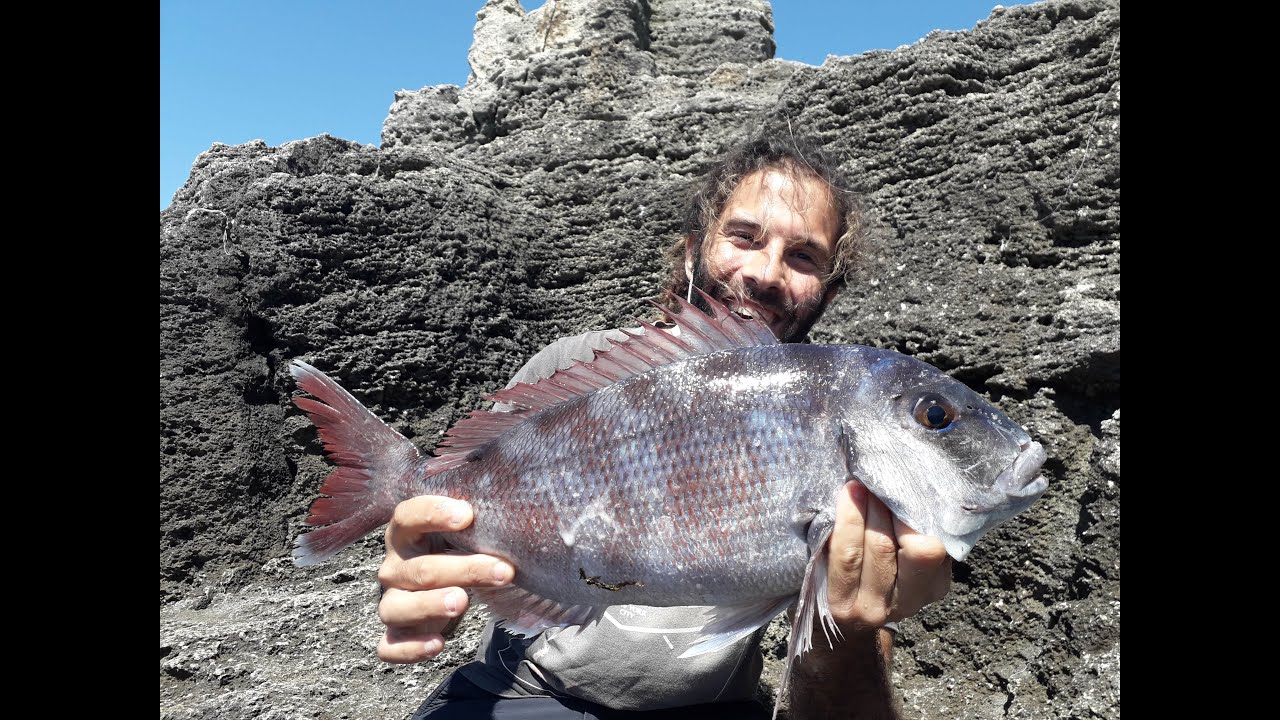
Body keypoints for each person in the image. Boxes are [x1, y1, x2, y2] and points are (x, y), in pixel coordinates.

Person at [376, 136, 954, 719]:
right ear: (693, 250)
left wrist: (848, 631)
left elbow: (835, 697)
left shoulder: (836, 418)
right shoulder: (571, 371)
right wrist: (422, 565)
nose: (765, 272)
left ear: (828, 292)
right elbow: (451, 527)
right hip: (526, 695)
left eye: (804, 256)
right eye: (744, 237)